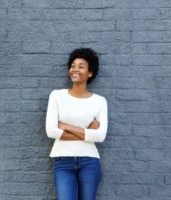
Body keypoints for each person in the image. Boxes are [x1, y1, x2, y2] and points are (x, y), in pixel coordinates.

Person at [45, 48, 108, 200]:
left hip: (89, 162)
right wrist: (87, 132)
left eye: (81, 66)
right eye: (73, 66)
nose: (75, 69)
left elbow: (100, 136)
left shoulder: (99, 101)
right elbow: (51, 131)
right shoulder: (57, 96)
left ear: (90, 73)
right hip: (63, 162)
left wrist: (66, 126)